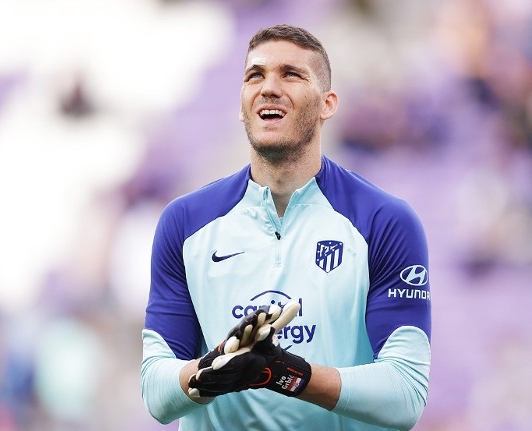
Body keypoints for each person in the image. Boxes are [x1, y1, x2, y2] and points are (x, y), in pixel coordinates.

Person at [141, 24, 431, 431]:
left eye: (291, 74)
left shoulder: (385, 221)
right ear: (241, 105)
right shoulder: (185, 222)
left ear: (327, 104)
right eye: (255, 75)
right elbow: (156, 395)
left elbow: (405, 395)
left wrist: (285, 373)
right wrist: (213, 369)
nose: (269, 88)